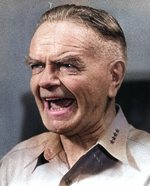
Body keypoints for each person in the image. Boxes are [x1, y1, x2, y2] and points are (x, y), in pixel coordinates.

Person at [0, 4, 150, 186]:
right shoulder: (12, 166)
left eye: (68, 65)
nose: (45, 81)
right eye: (37, 66)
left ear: (114, 76)